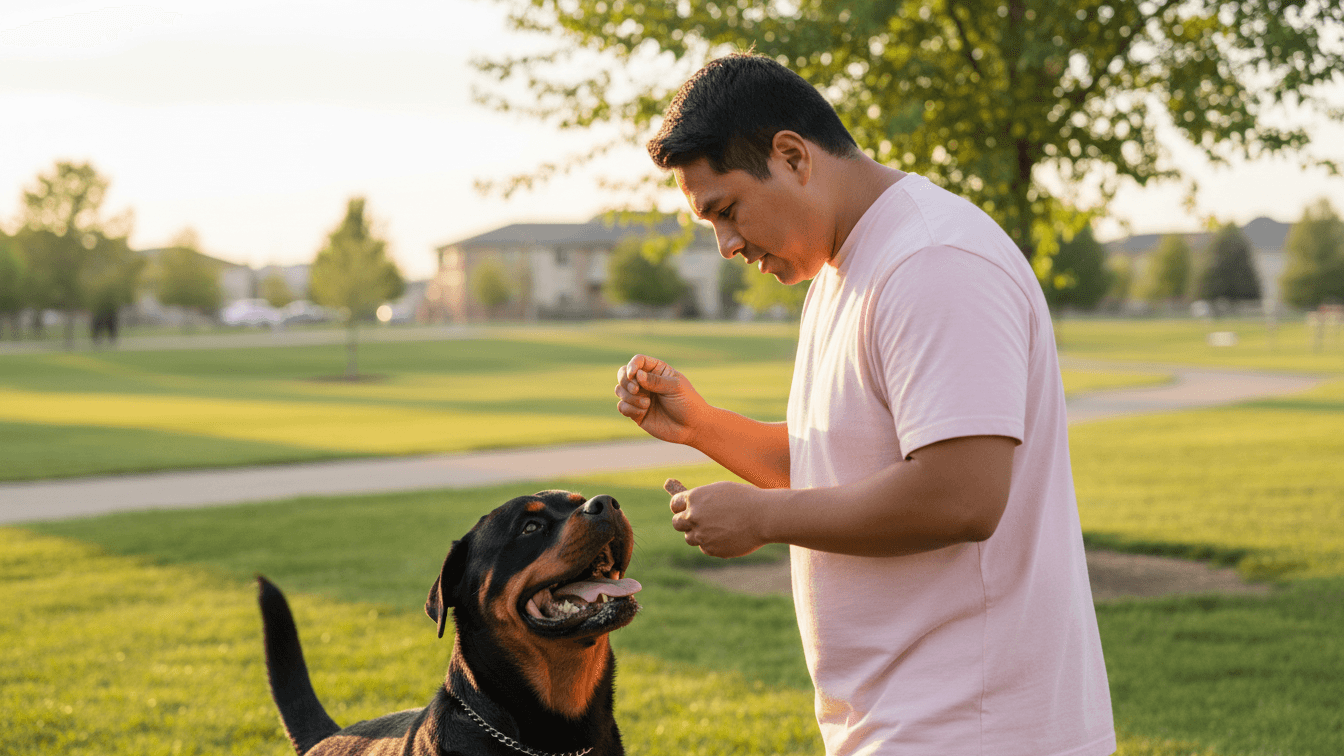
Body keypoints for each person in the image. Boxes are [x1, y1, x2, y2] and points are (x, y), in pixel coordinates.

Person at [613, 53, 1115, 756]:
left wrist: (762, 519)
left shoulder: (933, 260)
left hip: (974, 728)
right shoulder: (842, 269)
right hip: (903, 722)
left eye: (726, 211)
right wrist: (704, 426)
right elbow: (844, 468)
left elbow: (961, 496)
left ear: (792, 157)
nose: (725, 245)